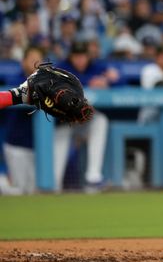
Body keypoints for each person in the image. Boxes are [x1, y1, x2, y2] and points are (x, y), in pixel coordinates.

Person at [54, 41, 116, 191]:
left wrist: (109, 79)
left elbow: (118, 78)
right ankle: (53, 187)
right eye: (77, 56)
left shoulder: (94, 66)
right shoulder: (61, 67)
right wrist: (90, 82)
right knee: (54, 178)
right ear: (71, 56)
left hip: (83, 122)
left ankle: (93, 176)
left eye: (83, 56)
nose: (80, 60)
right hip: (62, 123)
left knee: (100, 120)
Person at [1, 46, 44, 194]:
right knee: (20, 192)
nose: (35, 63)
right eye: (31, 59)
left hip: (39, 148)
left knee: (34, 192)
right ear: (23, 62)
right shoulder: (14, 80)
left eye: (38, 60)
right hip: (17, 146)